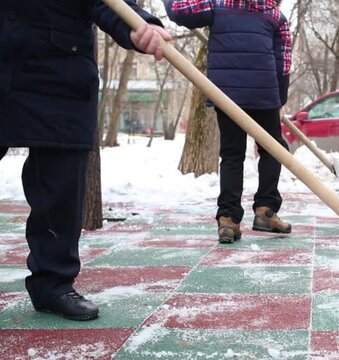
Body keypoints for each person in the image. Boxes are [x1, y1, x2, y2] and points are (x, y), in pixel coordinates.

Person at [0, 1, 171, 321]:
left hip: (59, 67)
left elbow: (106, 2)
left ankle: (53, 283)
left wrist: (139, 25)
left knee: (62, 185)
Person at [164, 0, 293, 243]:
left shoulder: (217, 5)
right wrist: (280, 100)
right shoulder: (275, 16)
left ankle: (228, 219)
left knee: (232, 155)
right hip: (264, 93)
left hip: (227, 95)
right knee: (273, 149)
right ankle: (266, 209)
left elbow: (179, 11)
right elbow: (283, 63)